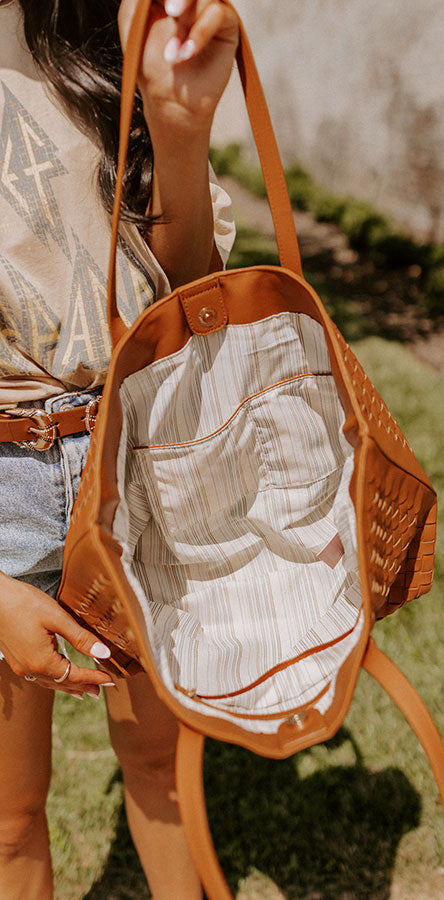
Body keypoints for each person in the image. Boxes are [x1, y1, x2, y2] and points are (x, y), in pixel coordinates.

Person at [0, 0, 238, 896]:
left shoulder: (102, 29)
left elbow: (185, 297)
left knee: (162, 767)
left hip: (131, 449)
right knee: (8, 817)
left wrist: (178, 130)